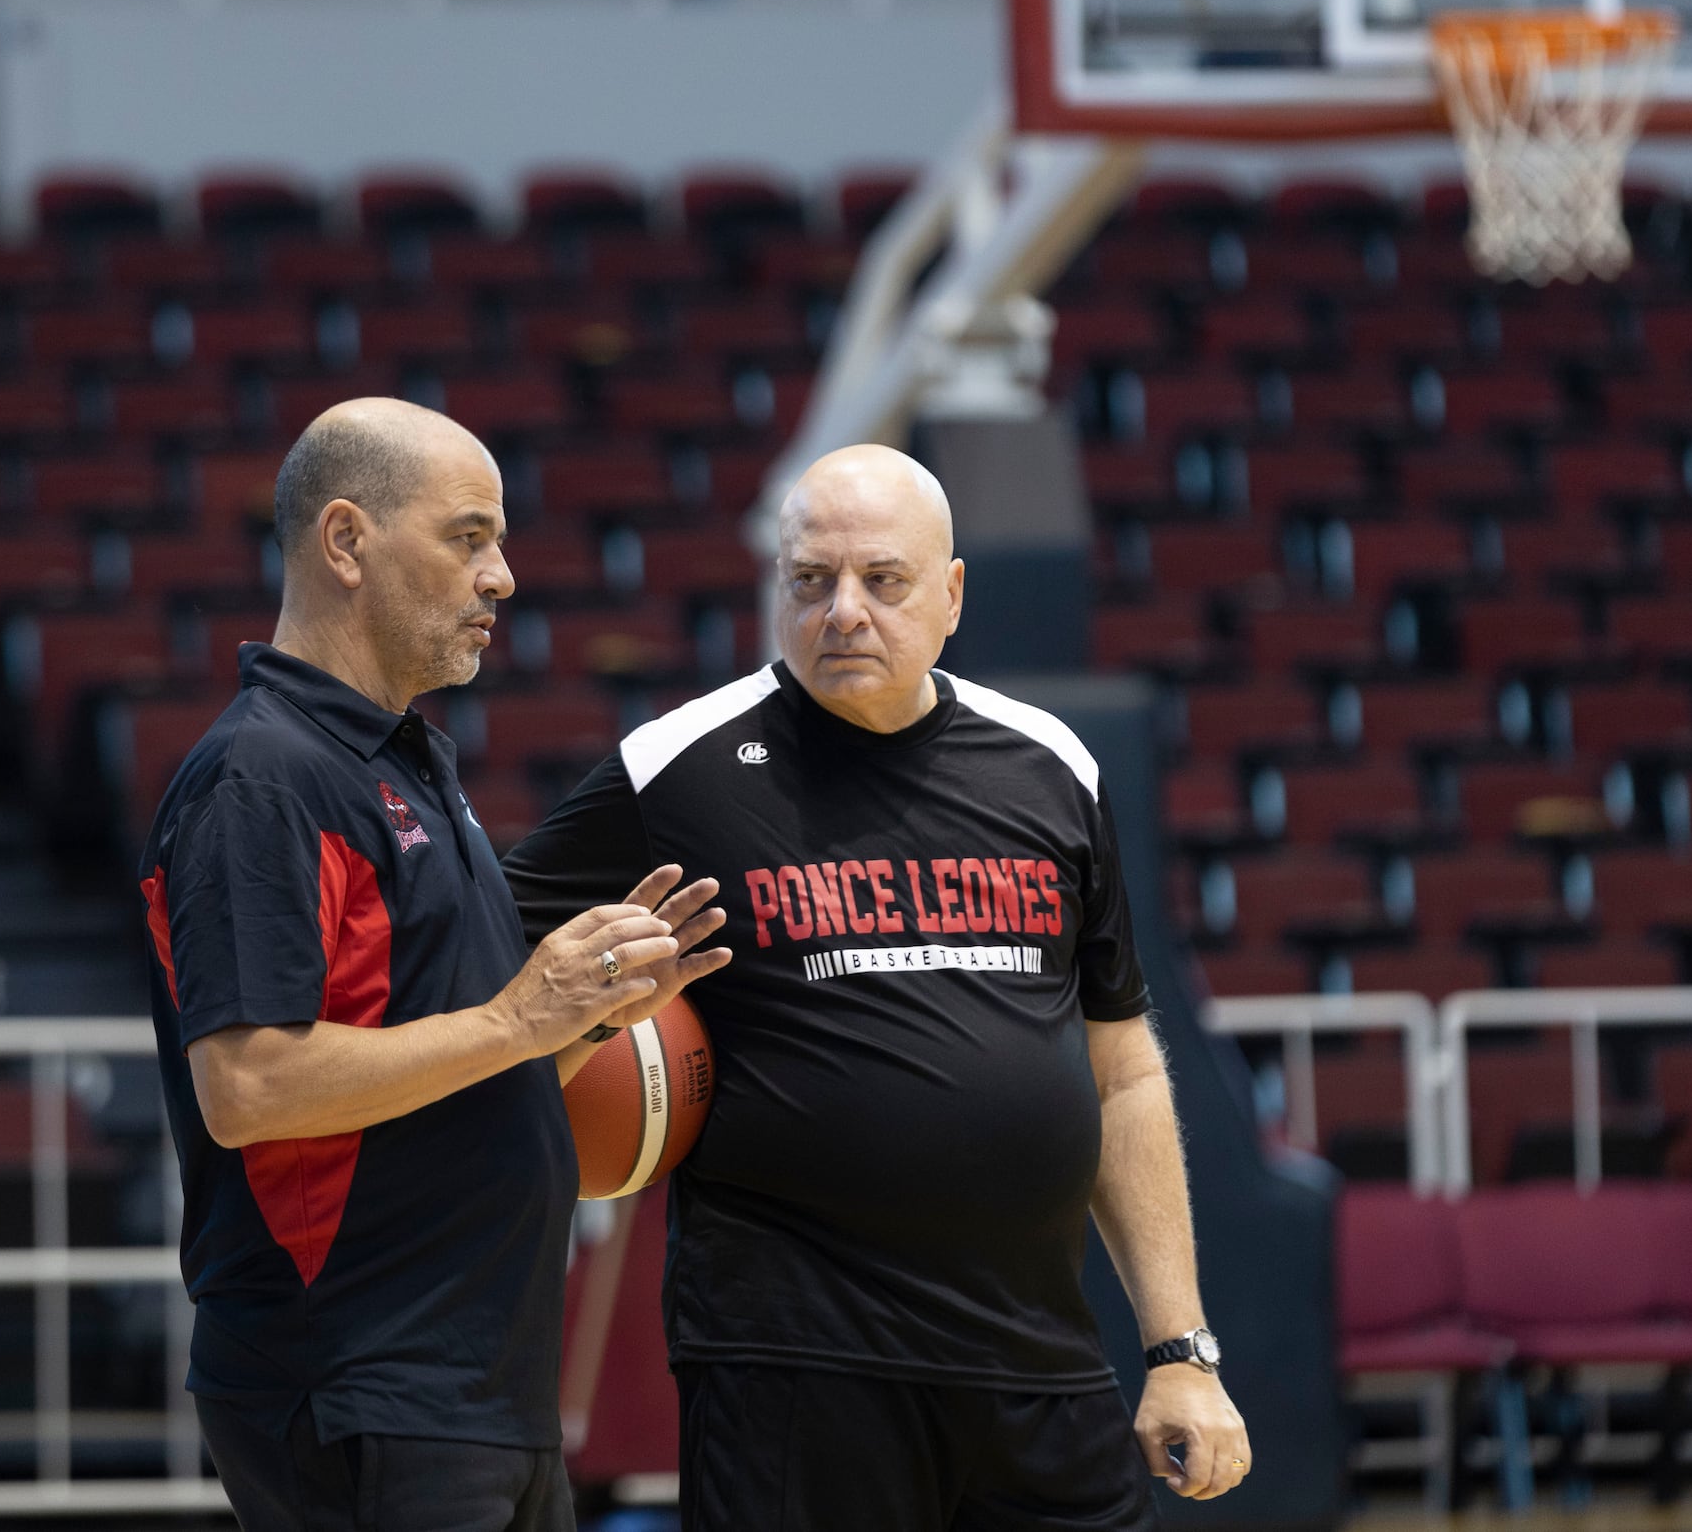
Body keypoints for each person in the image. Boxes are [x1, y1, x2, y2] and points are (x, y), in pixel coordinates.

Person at [505, 443, 1250, 1531]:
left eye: (881, 580)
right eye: (810, 582)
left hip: (1034, 1357)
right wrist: (580, 1022)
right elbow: (484, 953)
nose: (842, 610)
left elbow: (1123, 1069)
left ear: (950, 594)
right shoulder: (678, 768)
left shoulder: (1051, 766)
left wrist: (1179, 1350)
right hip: (794, 1374)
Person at [138, 398, 731, 1532]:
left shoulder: (401, 762)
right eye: (469, 538)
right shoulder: (260, 777)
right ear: (347, 543)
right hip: (362, 1377)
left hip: (475, 1388)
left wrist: (584, 1023)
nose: (502, 576)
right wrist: (522, 1015)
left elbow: (436, 1068)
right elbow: (249, 1087)